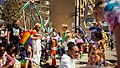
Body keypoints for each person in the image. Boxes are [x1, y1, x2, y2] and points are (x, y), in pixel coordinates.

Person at [93, 0, 120, 66]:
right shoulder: (114, 4)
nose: (102, 21)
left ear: (98, 12)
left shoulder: (108, 10)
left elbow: (119, 39)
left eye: (98, 19)